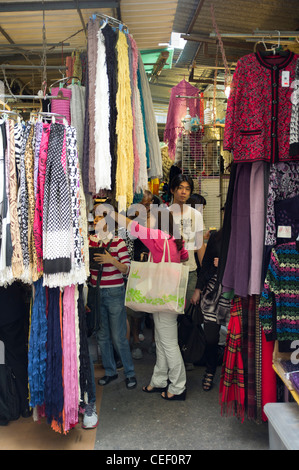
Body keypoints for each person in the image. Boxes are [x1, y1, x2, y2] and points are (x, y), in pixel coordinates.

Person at [104, 203, 189, 401]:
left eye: (149, 216)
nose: (146, 219)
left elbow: (132, 227)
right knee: (162, 340)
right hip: (166, 296)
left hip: (163, 296)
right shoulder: (173, 239)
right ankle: (159, 380)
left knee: (168, 343)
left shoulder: (158, 237)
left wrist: (113, 213)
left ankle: (178, 386)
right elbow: (182, 259)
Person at [89, 206, 137, 391]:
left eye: (99, 218)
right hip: (96, 292)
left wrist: (111, 261)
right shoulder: (89, 241)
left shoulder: (118, 242)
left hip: (115, 292)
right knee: (102, 336)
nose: (95, 221)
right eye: (94, 218)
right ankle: (110, 371)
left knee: (118, 337)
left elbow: (128, 269)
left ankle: (130, 373)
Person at [169, 175, 204, 371]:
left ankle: (185, 352)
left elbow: (199, 246)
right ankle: (171, 355)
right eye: (180, 188)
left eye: (187, 189)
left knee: (188, 315)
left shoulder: (195, 215)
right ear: (173, 189)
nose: (184, 192)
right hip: (169, 272)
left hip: (190, 271)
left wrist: (204, 274)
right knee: (170, 316)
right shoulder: (163, 214)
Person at [190, 224, 230, 391]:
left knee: (236, 338)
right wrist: (198, 290)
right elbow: (206, 265)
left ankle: (231, 374)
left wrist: (225, 263)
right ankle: (210, 370)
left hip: (234, 292)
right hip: (213, 293)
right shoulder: (217, 236)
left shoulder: (246, 236)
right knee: (211, 337)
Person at [0, 282, 32, 426]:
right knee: (17, 357)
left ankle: (5, 409)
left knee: (1, 361)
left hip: (8, 308)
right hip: (9, 307)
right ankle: (25, 405)